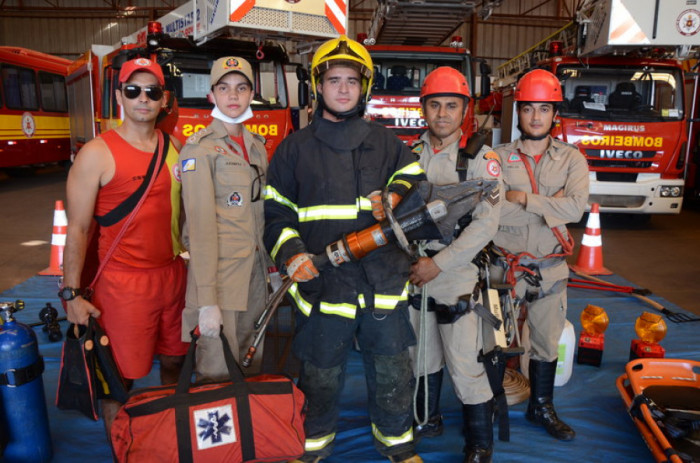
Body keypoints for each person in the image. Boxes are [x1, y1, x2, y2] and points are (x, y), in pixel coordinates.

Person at [263, 35, 426, 463]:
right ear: (319, 85)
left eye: (351, 80)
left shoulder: (389, 143)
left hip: (383, 285)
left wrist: (394, 194)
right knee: (319, 372)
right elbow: (276, 214)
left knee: (393, 368)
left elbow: (416, 179)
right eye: (333, 79)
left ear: (364, 87)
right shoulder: (293, 149)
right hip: (324, 286)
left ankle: (397, 445)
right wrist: (292, 253)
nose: (342, 89)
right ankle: (313, 446)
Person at [61, 58, 188, 438]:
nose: (143, 99)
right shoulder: (97, 154)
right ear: (120, 96)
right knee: (119, 379)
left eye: (152, 91)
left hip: (172, 278)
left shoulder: (175, 148)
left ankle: (166, 438)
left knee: (175, 363)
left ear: (164, 99)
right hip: (122, 286)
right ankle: (122, 447)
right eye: (133, 91)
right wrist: (71, 293)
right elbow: (78, 228)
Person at [407, 66, 502, 463]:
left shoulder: (481, 160)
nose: (442, 113)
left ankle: (478, 443)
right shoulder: (409, 155)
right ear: (423, 109)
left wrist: (440, 264)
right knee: (421, 354)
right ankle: (427, 419)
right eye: (434, 105)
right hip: (414, 272)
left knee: (464, 362)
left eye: (451, 105)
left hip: (457, 273)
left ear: (465, 109)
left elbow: (485, 226)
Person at [490, 69, 589, 441]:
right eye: (528, 109)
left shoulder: (572, 160)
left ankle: (541, 406)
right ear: (518, 113)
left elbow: (577, 209)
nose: (535, 117)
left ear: (554, 114)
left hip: (550, 270)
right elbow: (494, 211)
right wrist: (552, 207)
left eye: (543, 109)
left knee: (546, 343)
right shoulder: (496, 157)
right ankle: (490, 403)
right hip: (504, 270)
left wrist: (526, 199)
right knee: (495, 342)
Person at [179, 56, 271, 378]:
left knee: (252, 365)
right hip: (219, 280)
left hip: (255, 278)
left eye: (241, 88)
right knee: (217, 373)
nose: (233, 96)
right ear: (212, 96)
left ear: (251, 94)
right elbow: (199, 231)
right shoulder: (198, 151)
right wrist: (207, 301)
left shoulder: (257, 147)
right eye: (224, 88)